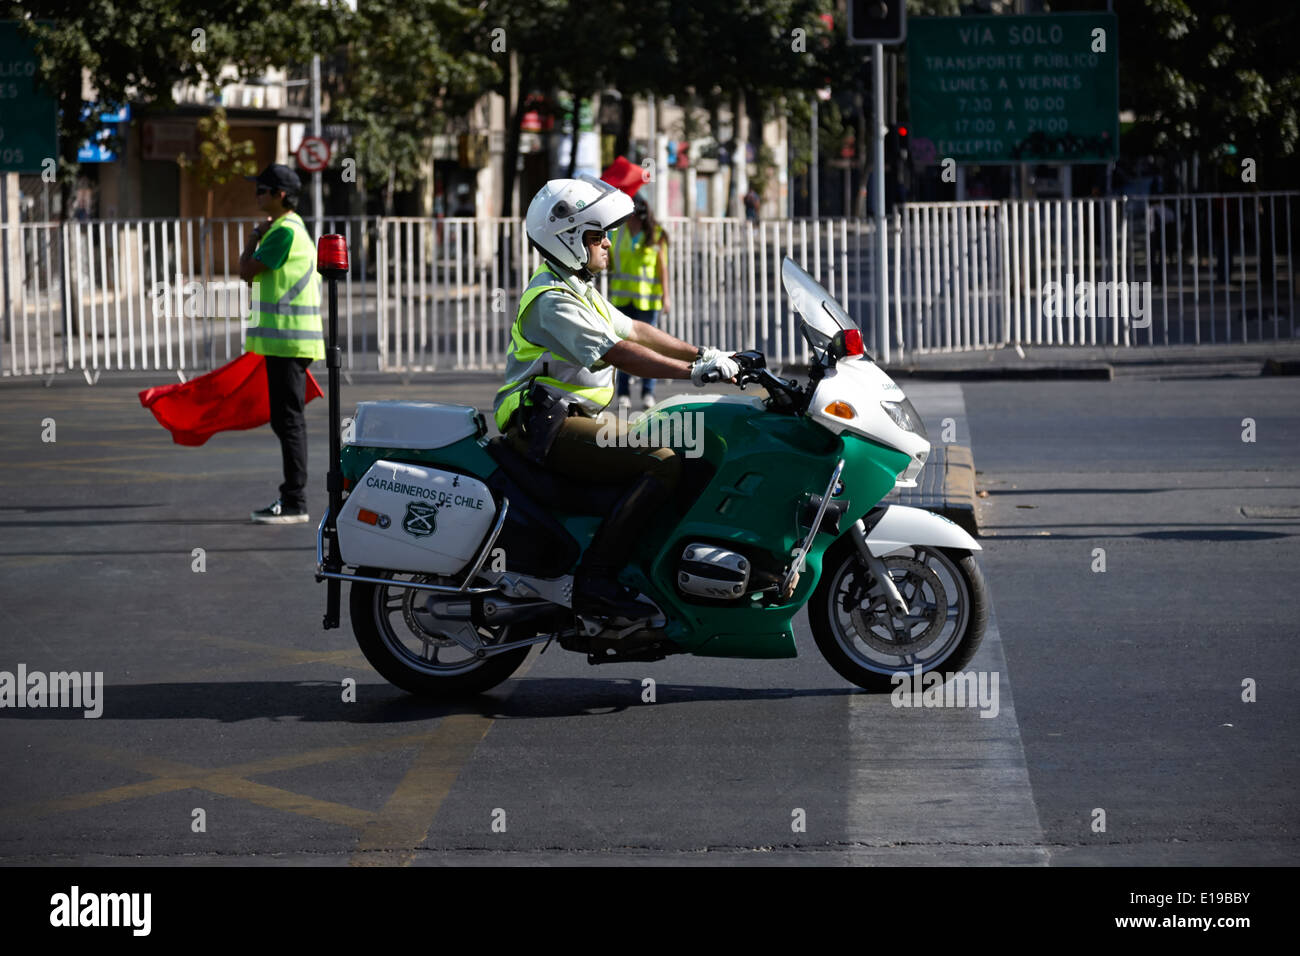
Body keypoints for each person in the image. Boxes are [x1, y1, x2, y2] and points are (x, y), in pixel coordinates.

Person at [494, 175, 737, 618]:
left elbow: (637, 330)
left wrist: (710, 354)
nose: (608, 243)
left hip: (567, 418)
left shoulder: (576, 288)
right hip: (544, 425)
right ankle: (597, 581)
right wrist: (694, 373)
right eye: (597, 235)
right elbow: (618, 352)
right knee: (661, 460)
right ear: (568, 239)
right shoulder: (552, 299)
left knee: (682, 442)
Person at [238, 163, 323, 524]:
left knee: (289, 422)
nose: (256, 194)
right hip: (287, 341)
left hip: (288, 341)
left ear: (280, 195)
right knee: (286, 421)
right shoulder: (291, 228)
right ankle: (293, 496)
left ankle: (294, 502)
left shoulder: (281, 232)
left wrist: (252, 238)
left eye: (262, 189)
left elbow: (246, 271)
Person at [608, 195, 670, 410]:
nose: (634, 221)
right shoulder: (616, 234)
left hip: (647, 302)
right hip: (622, 298)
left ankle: (648, 392)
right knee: (624, 347)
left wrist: (666, 296)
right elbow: (610, 262)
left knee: (649, 348)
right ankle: (623, 392)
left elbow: (663, 268)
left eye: (636, 217)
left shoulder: (656, 235)